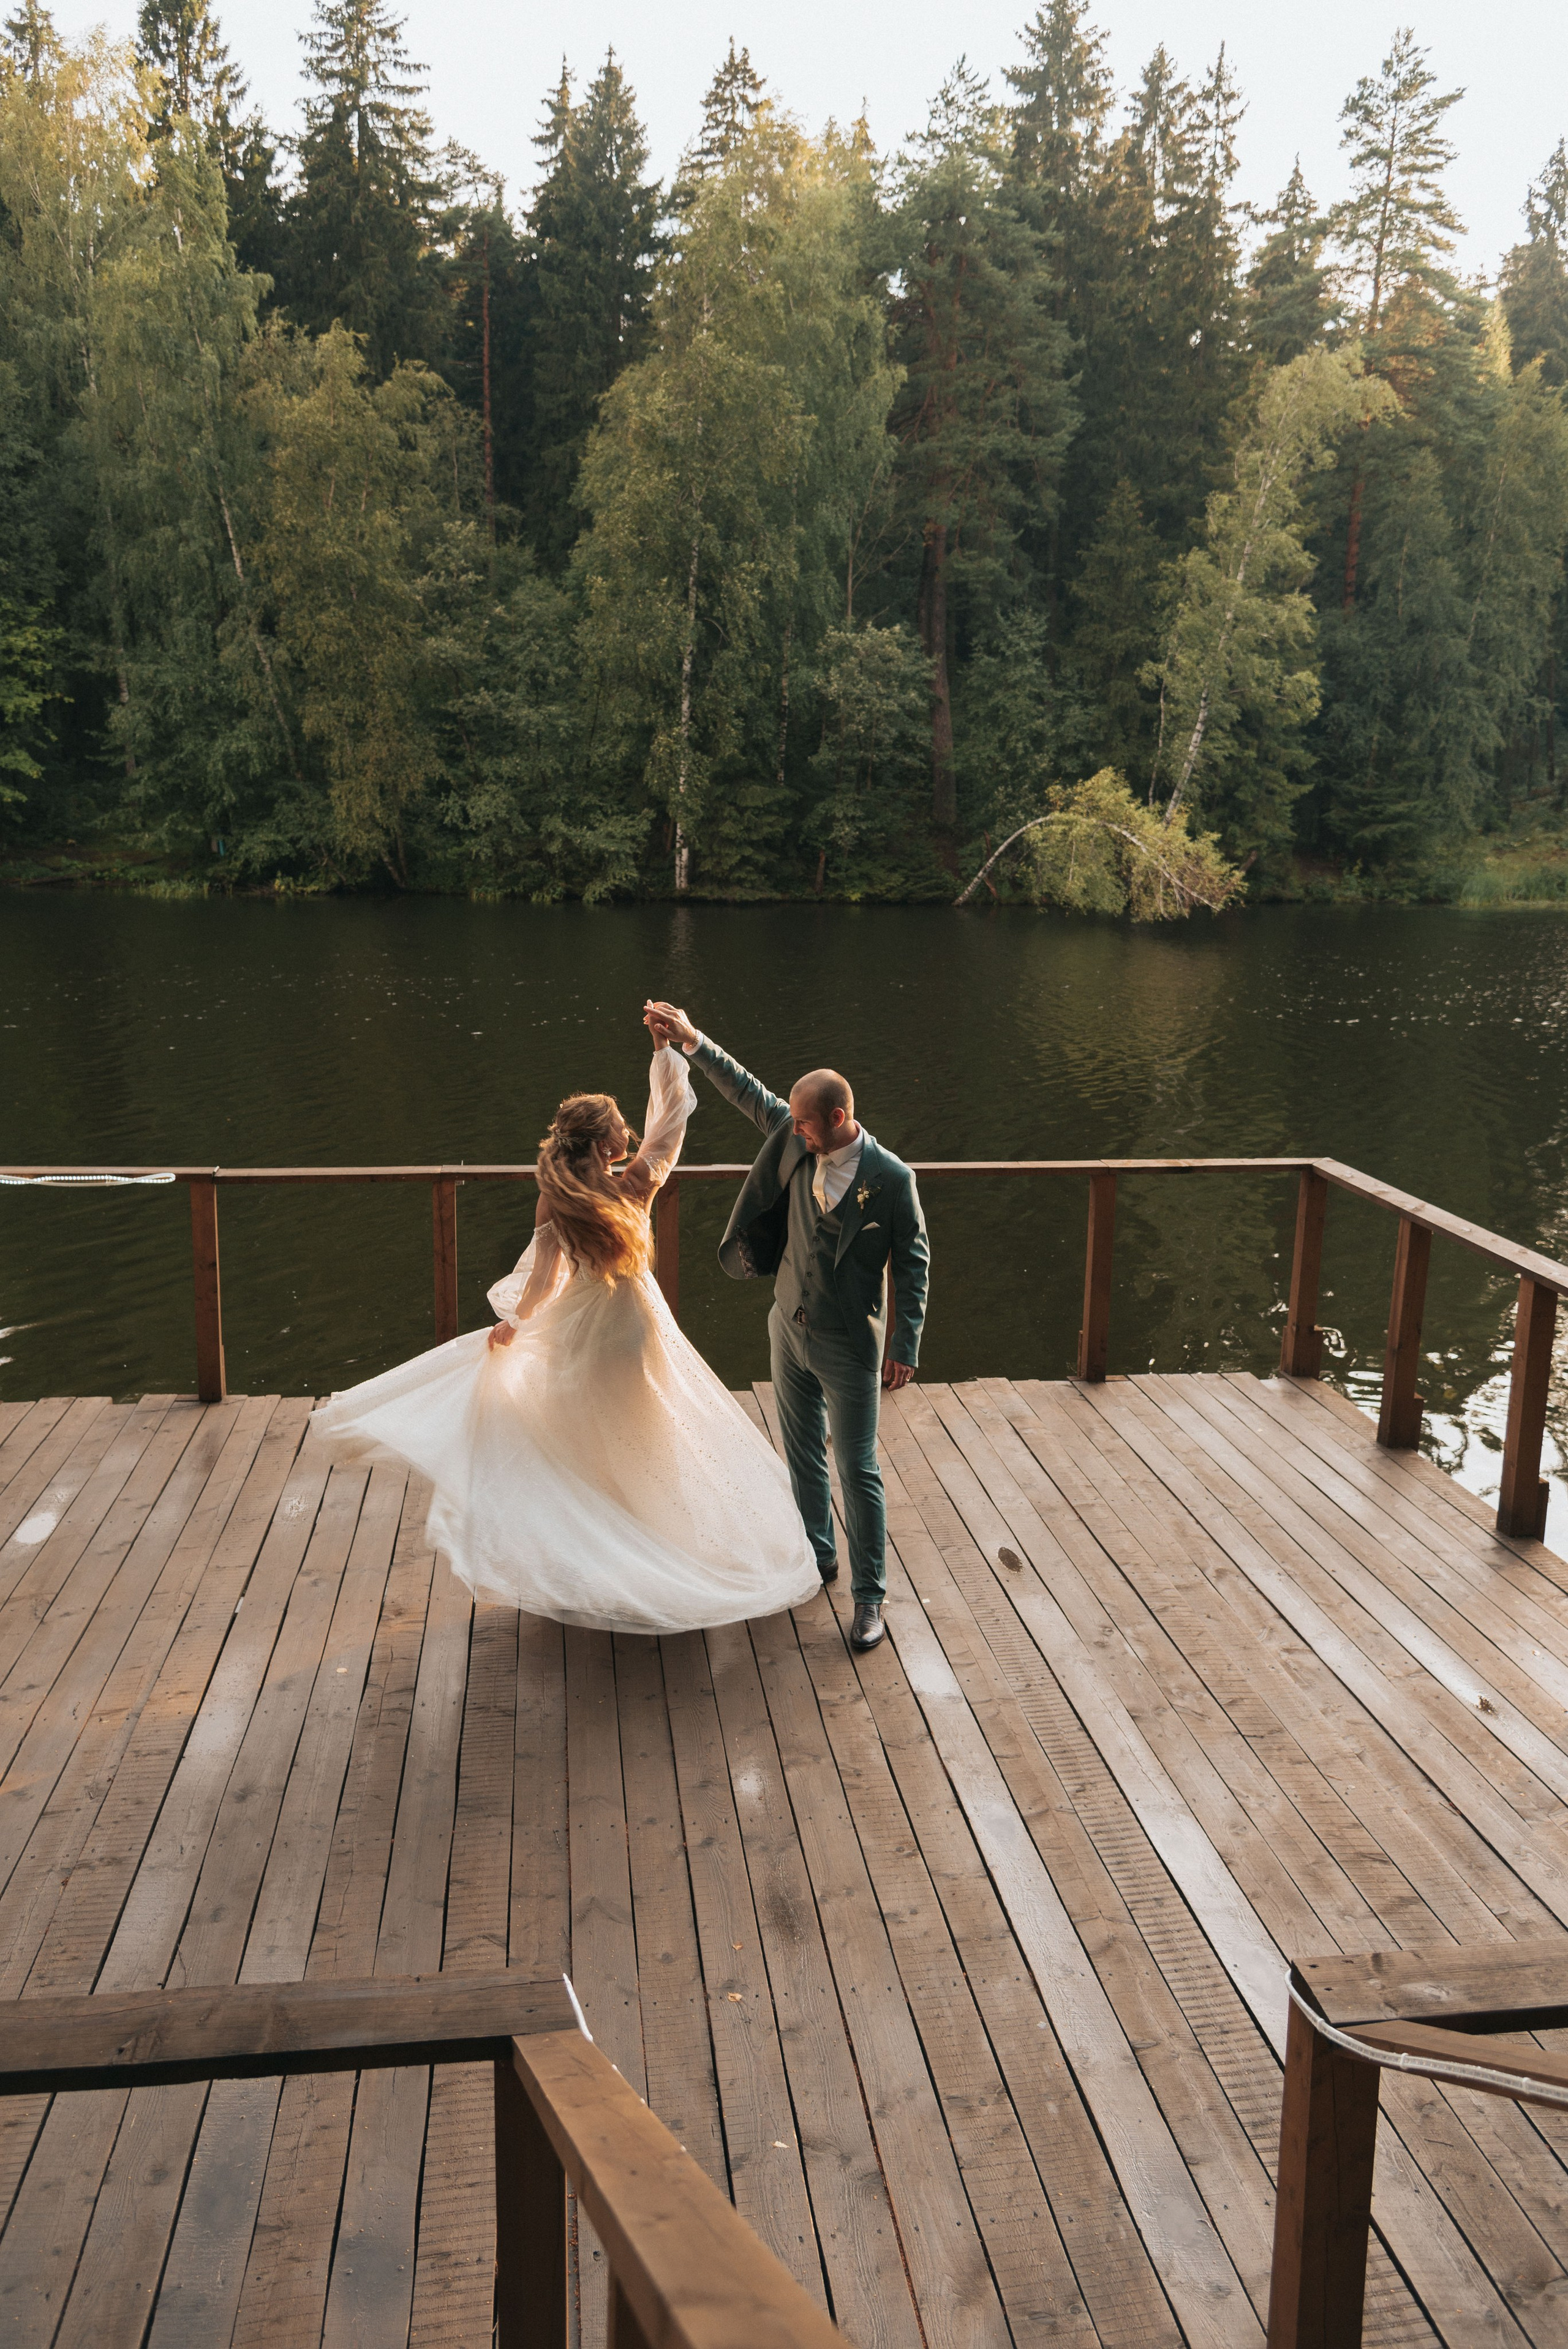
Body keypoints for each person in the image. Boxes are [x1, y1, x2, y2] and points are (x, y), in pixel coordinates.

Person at [309, 1039, 820, 1635]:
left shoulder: (555, 1195)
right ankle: (652, 1556)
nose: (630, 1130)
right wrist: (666, 1059)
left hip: (582, 1329)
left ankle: (601, 1565)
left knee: (589, 1450)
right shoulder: (635, 1185)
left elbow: (546, 1281)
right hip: (633, 1327)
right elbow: (672, 1121)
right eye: (620, 1127)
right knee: (649, 1441)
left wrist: (516, 1323)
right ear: (606, 1143)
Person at [643, 1001, 929, 1654]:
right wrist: (693, 1042)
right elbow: (748, 1092)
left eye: (803, 1122)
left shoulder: (892, 1181)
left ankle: (869, 1597)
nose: (792, 1131)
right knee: (799, 1453)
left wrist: (904, 1345)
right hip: (787, 1328)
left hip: (850, 1344)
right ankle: (817, 1558)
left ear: (837, 1119)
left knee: (857, 1470)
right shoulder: (797, 1140)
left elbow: (912, 1267)